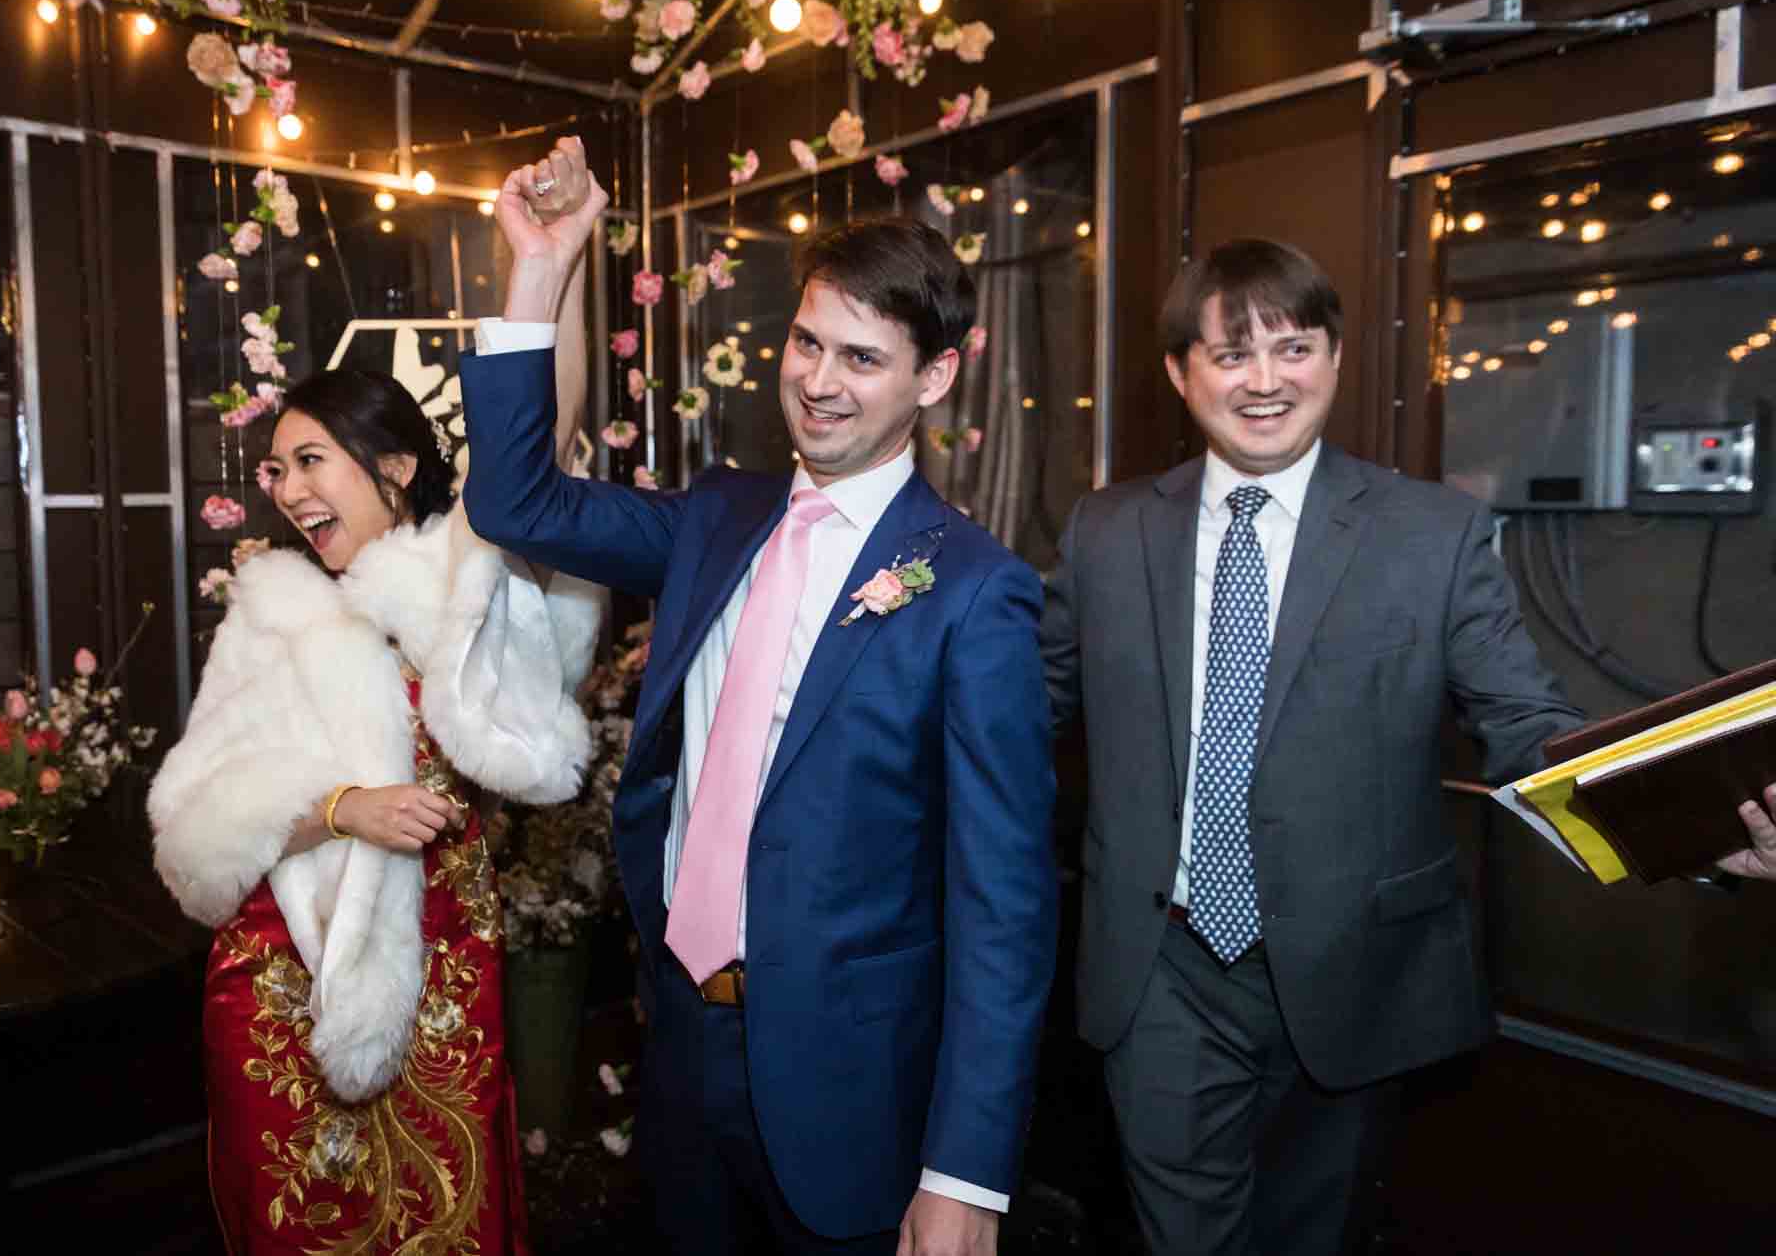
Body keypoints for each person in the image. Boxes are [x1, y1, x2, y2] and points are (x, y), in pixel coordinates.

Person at [1041, 237, 1776, 1256]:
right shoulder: (1103, 533)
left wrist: (1692, 826)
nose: (1263, 382)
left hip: (1356, 973)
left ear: (1335, 359)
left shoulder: (1431, 535)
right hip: (1158, 973)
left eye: (1290, 349)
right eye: (1228, 355)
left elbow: (1524, 725)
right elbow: (1020, 716)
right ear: (1178, 372)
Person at [458, 139, 1057, 1256]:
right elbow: (515, 500)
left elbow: (1003, 909)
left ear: (932, 377)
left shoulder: (973, 592)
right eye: (806, 343)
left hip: (850, 1091)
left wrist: (964, 1171)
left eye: (862, 359)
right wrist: (541, 269)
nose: (819, 382)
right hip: (678, 1046)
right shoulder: (715, 519)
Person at [148, 285, 603, 1250]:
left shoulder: (467, 586)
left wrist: (552, 262)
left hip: (449, 973)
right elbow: (191, 827)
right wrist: (342, 807)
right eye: (277, 467)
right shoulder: (273, 613)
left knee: (451, 1220)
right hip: (288, 989)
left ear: (393, 466)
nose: (286, 486)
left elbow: (550, 438)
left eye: (312, 459)